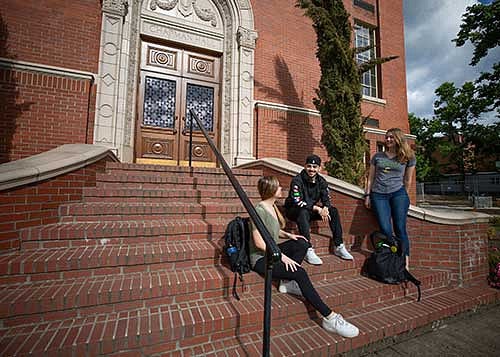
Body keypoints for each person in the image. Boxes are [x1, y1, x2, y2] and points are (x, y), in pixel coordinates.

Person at [249, 176, 359, 338]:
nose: (281, 189)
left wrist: (289, 235)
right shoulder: (258, 211)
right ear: (271, 190)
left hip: (272, 250)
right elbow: (259, 243)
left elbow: (273, 231)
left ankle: (286, 283)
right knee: (300, 272)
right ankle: (330, 317)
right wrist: (281, 257)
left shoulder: (271, 206)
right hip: (260, 258)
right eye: (278, 186)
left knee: (303, 243)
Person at [284, 154, 353, 265]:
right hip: (294, 210)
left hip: (310, 210)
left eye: (314, 167)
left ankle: (339, 245)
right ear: (305, 166)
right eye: (309, 166)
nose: (312, 169)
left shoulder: (321, 181)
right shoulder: (297, 180)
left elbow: (326, 197)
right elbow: (297, 201)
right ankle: (307, 248)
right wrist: (317, 208)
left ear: (319, 168)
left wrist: (326, 207)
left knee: (333, 211)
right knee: (303, 212)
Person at [364, 128, 416, 270]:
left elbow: (408, 180)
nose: (387, 140)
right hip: (379, 195)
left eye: (391, 137)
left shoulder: (408, 157)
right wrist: (367, 195)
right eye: (386, 137)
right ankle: (393, 256)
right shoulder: (377, 157)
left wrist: (404, 196)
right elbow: (371, 178)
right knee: (385, 228)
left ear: (398, 139)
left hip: (398, 194)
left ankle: (405, 262)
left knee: (400, 228)